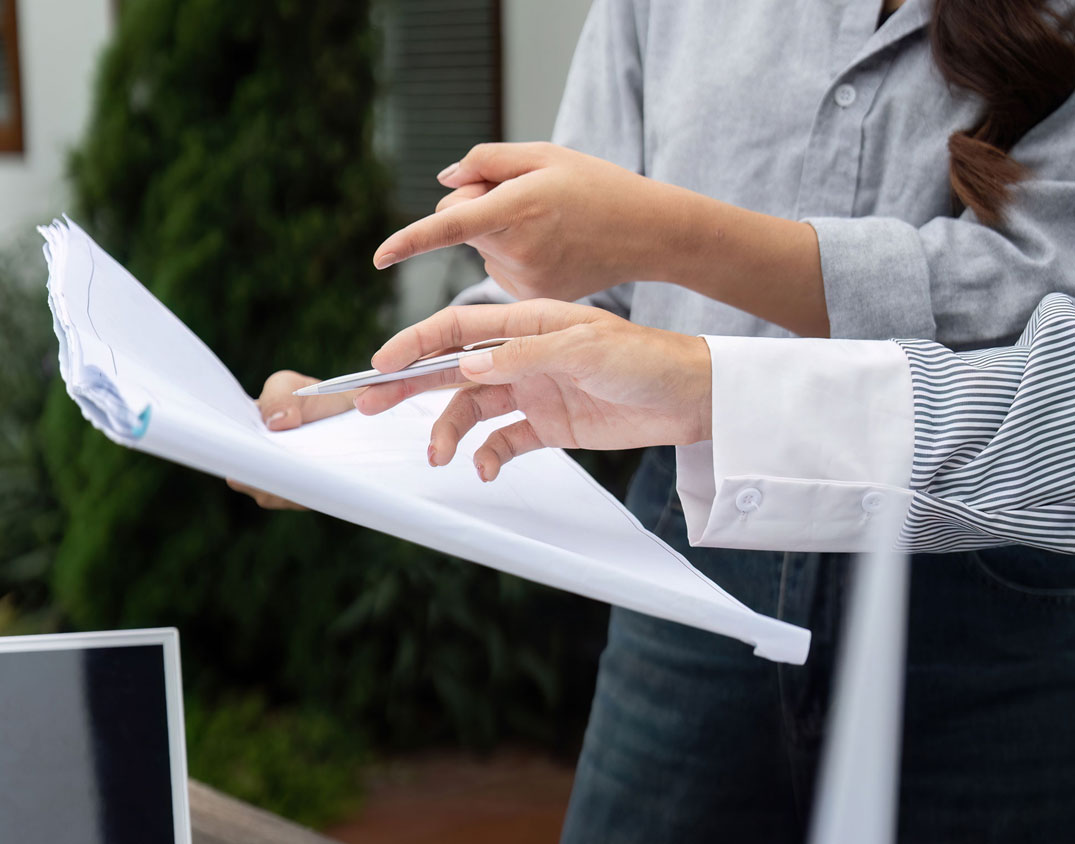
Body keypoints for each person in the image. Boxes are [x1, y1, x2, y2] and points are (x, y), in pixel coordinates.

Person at [236, 1, 1075, 840]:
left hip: (994, 557)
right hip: (690, 543)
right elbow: (564, 276)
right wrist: (375, 403)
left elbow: (1038, 289)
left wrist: (664, 235)